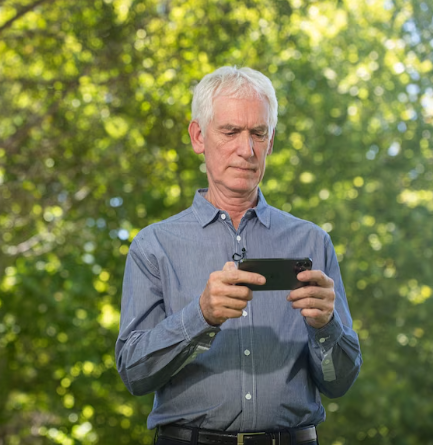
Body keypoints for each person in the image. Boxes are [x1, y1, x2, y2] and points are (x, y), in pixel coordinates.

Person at [116, 66, 362, 445]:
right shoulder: (153, 245)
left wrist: (326, 326)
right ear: (199, 136)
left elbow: (340, 382)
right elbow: (134, 374)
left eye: (258, 134)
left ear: (271, 141)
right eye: (230, 132)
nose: (246, 150)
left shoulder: (312, 242)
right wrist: (200, 316)